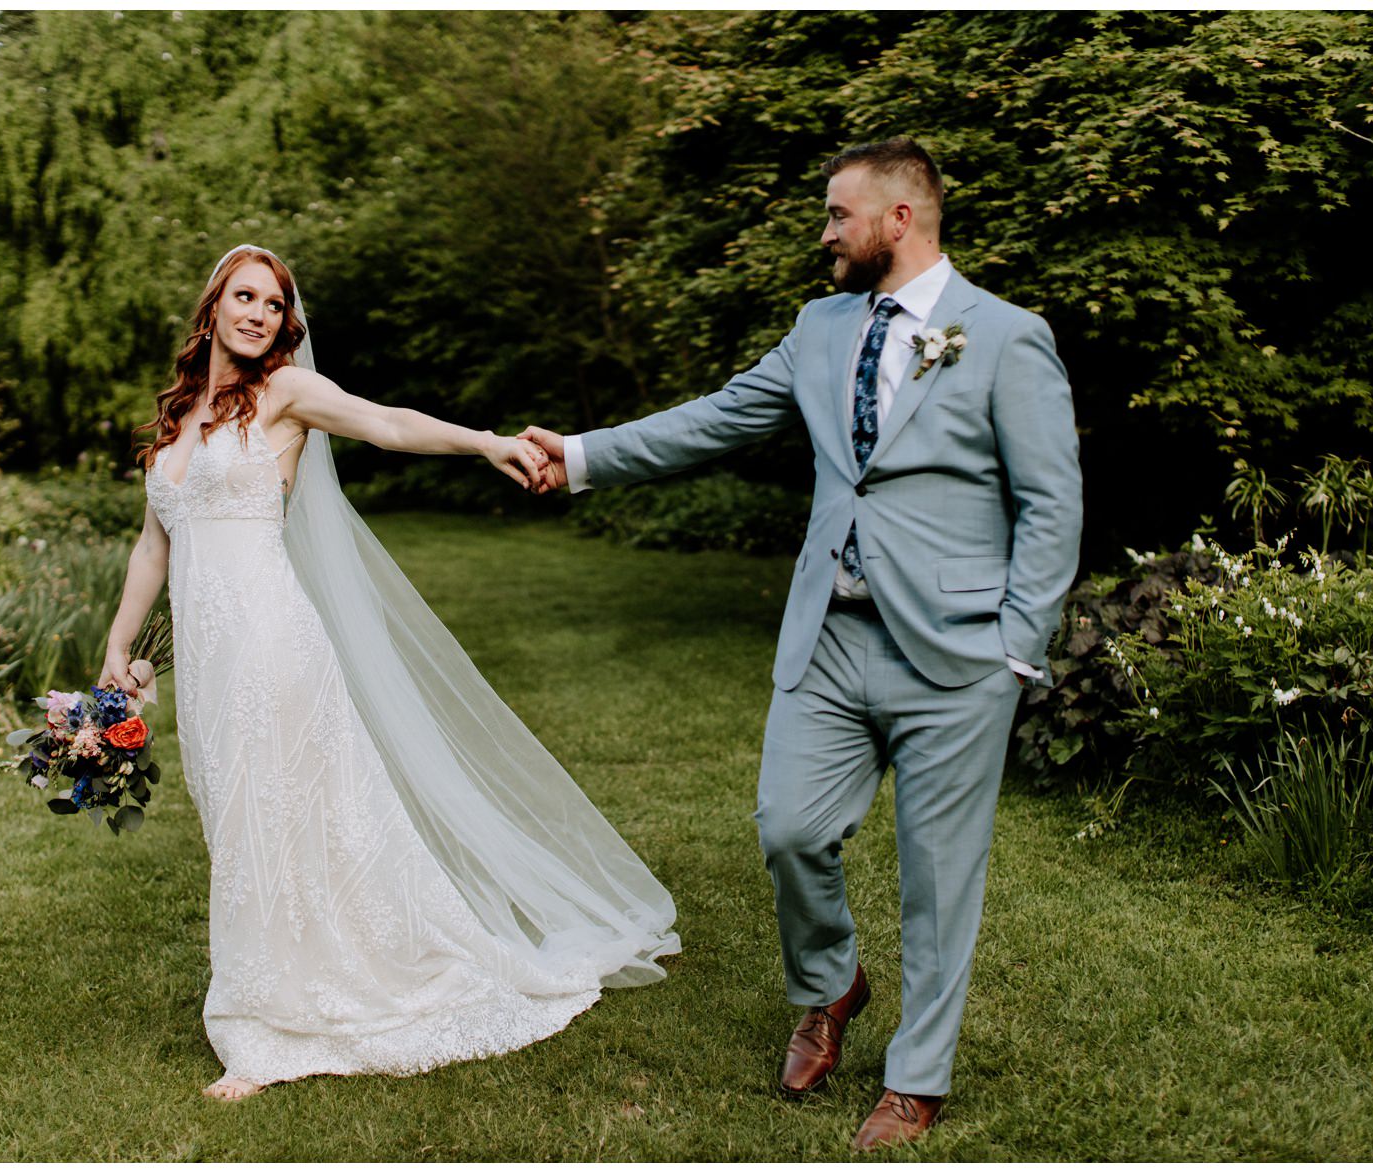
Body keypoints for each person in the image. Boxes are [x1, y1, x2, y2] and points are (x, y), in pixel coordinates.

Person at [523, 138, 1082, 1151]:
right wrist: (582, 456)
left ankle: (917, 1079)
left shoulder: (1005, 337)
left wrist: (1015, 646)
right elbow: (722, 418)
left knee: (937, 877)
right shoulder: (821, 328)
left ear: (899, 220)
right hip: (831, 632)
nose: (824, 234)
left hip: (956, 655)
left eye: (837, 216)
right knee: (786, 828)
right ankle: (832, 985)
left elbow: (1052, 502)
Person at [98, 245, 679, 1101]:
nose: (259, 313)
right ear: (213, 306)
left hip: (272, 643)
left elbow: (387, 421)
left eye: (275, 303)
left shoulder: (286, 394)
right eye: (245, 297)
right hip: (214, 667)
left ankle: (262, 1028)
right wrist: (118, 648)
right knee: (241, 821)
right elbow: (156, 543)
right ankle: (283, 991)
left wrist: (484, 442)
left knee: (278, 819)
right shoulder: (181, 415)